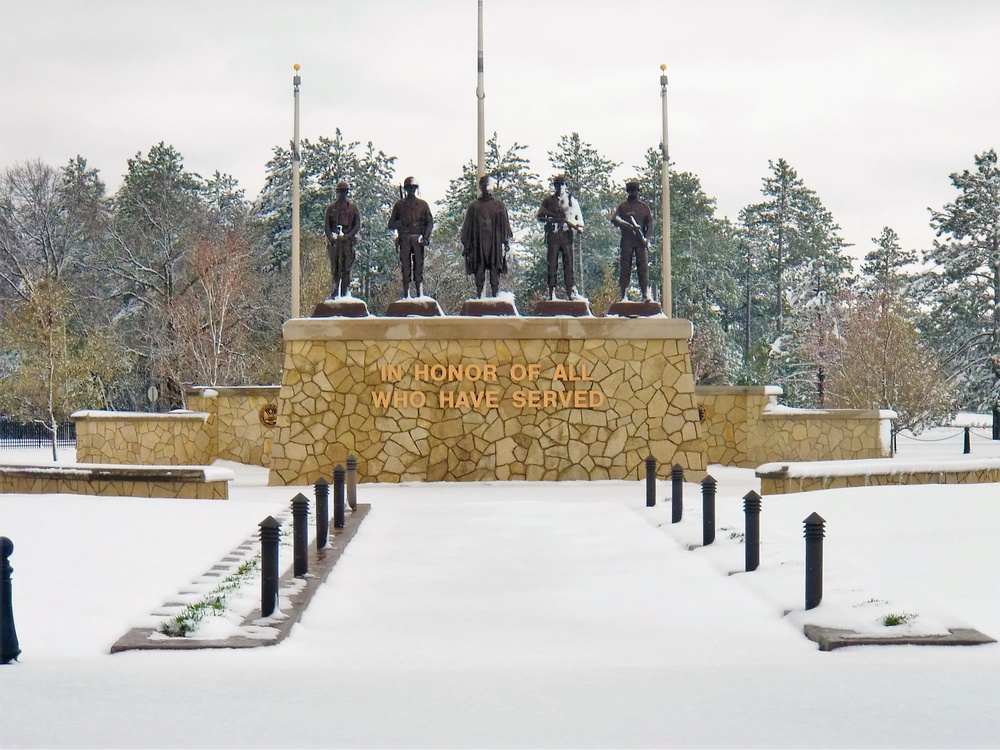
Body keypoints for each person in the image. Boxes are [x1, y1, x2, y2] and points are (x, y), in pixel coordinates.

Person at [460, 175, 513, 298]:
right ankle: (479, 297)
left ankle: (495, 296)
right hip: (478, 244)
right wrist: (467, 245)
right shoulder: (474, 206)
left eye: (487, 186)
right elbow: (467, 227)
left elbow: (504, 226)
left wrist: (505, 243)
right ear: (480, 187)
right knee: (479, 271)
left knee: (495, 272)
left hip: (495, 243)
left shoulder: (499, 205)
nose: (485, 189)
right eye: (483, 186)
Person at [536, 175, 584, 300]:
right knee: (552, 265)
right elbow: (540, 216)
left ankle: (570, 292)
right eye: (557, 184)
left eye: (562, 184)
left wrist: (579, 227)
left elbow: (579, 220)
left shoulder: (572, 201)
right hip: (553, 234)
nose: (560, 187)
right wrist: (551, 219)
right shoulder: (548, 201)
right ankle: (552, 292)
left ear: (566, 186)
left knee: (569, 265)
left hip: (567, 235)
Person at [387, 176, 434, 298]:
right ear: (406, 189)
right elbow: (391, 224)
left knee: (419, 266)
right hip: (405, 239)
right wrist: (401, 223)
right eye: (409, 188)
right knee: (406, 267)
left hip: (418, 239)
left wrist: (426, 237)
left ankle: (420, 292)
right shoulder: (399, 205)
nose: (411, 190)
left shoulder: (423, 205)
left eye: (413, 188)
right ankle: (406, 292)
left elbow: (429, 221)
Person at [612, 180, 654, 302]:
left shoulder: (644, 207)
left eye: (634, 190)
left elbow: (650, 223)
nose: (633, 192)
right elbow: (614, 219)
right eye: (631, 190)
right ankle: (623, 293)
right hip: (626, 241)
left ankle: (645, 293)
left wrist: (646, 237)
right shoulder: (623, 207)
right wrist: (626, 225)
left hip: (640, 242)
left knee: (643, 268)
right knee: (625, 267)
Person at [324, 181, 361, 298]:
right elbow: (327, 226)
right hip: (335, 243)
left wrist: (347, 236)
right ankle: (335, 291)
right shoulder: (331, 209)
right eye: (340, 192)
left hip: (348, 242)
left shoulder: (353, 208)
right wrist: (332, 239)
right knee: (335, 268)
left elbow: (357, 225)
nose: (342, 194)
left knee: (346, 268)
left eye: (344, 192)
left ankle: (345, 292)